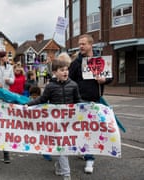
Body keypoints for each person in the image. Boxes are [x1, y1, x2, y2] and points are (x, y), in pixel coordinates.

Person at [27, 59, 82, 180]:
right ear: (54, 72)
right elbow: (42, 100)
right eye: (62, 70)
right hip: (55, 123)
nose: (65, 72)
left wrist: (90, 108)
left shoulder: (73, 85)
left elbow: (78, 102)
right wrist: (28, 105)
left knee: (64, 149)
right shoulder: (50, 86)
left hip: (69, 122)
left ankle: (59, 167)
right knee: (61, 148)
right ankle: (67, 175)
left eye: (66, 69)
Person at [69, 34, 113, 174]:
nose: (80, 46)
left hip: (95, 100)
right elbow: (70, 80)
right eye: (79, 44)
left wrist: (104, 80)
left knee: (91, 130)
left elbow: (110, 77)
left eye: (83, 44)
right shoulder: (76, 63)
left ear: (90, 45)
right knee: (83, 129)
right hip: (80, 101)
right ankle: (87, 154)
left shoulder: (100, 60)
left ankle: (89, 157)